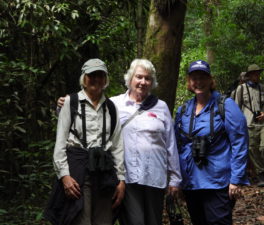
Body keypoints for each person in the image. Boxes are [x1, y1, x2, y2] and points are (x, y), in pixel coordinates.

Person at [57, 59, 182, 225]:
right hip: (126, 176)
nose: (143, 82)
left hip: (154, 176)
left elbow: (170, 145)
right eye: (139, 77)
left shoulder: (160, 107)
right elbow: (83, 110)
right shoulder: (116, 103)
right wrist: (62, 105)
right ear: (130, 79)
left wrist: (175, 178)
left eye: (147, 78)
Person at [45, 59, 125, 225]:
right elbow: (60, 142)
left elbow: (117, 146)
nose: (96, 79)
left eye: (100, 75)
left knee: (104, 220)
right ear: (84, 78)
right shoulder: (71, 102)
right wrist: (64, 175)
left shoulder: (111, 107)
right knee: (80, 218)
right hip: (78, 170)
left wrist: (121, 180)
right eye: (92, 75)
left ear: (106, 79)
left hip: (104, 171)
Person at [175, 60, 249, 225]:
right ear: (189, 81)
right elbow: (178, 145)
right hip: (191, 182)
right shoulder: (184, 110)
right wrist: (177, 180)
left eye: (203, 77)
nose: (199, 82)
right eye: (194, 78)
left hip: (218, 182)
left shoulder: (225, 105)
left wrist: (236, 179)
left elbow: (239, 142)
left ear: (210, 80)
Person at [232, 64, 264, 187]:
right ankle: (261, 174)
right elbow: (236, 108)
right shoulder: (241, 89)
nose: (257, 75)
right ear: (249, 75)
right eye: (254, 73)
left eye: (258, 73)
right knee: (253, 149)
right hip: (248, 123)